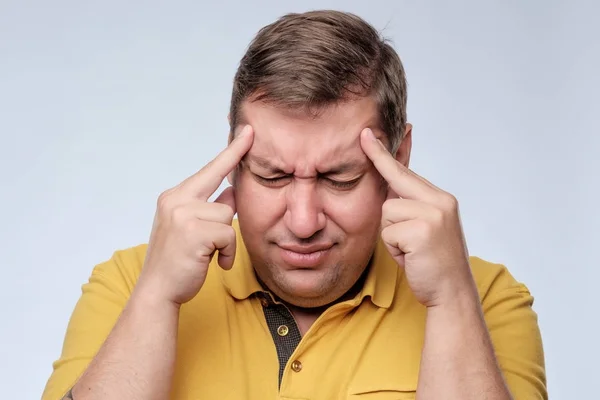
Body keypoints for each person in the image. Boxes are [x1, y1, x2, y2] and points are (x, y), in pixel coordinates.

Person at [42, 10, 547, 400]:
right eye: (272, 175)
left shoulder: (484, 299)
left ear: (399, 157)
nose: (303, 222)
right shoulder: (129, 285)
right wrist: (156, 301)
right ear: (233, 155)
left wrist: (451, 302)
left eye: (340, 178)